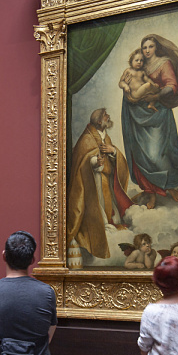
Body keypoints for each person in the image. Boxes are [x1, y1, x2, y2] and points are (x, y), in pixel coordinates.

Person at [119, 34, 178, 205]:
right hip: (137, 113)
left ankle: (168, 186)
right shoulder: (139, 64)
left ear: (157, 47)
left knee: (158, 154)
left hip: (158, 114)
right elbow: (126, 83)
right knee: (139, 153)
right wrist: (129, 93)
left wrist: (156, 95)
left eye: (150, 47)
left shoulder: (164, 63)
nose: (147, 51)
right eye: (144, 47)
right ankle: (150, 191)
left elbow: (172, 86)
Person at [67, 108, 131, 265]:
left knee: (111, 214)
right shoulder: (86, 139)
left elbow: (117, 159)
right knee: (100, 214)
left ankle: (108, 226)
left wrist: (113, 151)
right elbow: (81, 161)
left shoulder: (105, 137)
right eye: (105, 116)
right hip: (93, 184)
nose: (108, 117)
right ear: (99, 121)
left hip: (107, 182)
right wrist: (95, 162)